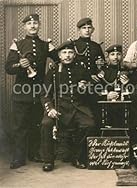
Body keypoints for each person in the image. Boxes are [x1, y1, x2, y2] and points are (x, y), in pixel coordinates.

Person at [5, 13, 58, 169]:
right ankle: (18, 158)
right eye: (29, 24)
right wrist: (19, 65)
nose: (33, 26)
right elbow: (8, 67)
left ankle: (34, 153)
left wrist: (52, 66)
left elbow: (59, 59)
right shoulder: (18, 45)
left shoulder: (45, 44)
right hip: (21, 92)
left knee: (36, 124)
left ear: (39, 25)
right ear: (25, 27)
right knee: (20, 126)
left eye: (35, 23)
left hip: (39, 92)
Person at [40, 41, 95, 171]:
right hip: (59, 107)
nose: (67, 55)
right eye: (64, 53)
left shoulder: (82, 69)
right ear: (59, 55)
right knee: (46, 124)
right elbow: (44, 93)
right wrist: (50, 108)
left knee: (89, 124)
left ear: (74, 55)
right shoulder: (53, 71)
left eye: (70, 52)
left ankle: (77, 156)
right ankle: (48, 160)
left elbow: (91, 90)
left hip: (78, 107)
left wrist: (85, 88)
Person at [97, 44, 130, 127]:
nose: (115, 57)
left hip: (123, 105)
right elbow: (97, 89)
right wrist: (107, 96)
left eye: (118, 54)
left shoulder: (127, 71)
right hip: (105, 105)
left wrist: (127, 83)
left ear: (122, 56)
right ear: (107, 57)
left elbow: (133, 89)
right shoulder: (102, 72)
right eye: (112, 54)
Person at [73, 17, 105, 82]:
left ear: (93, 30)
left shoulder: (96, 46)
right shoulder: (73, 45)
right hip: (78, 79)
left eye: (89, 28)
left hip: (95, 79)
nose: (87, 30)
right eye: (84, 28)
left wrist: (99, 72)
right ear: (79, 30)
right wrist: (88, 76)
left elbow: (102, 64)